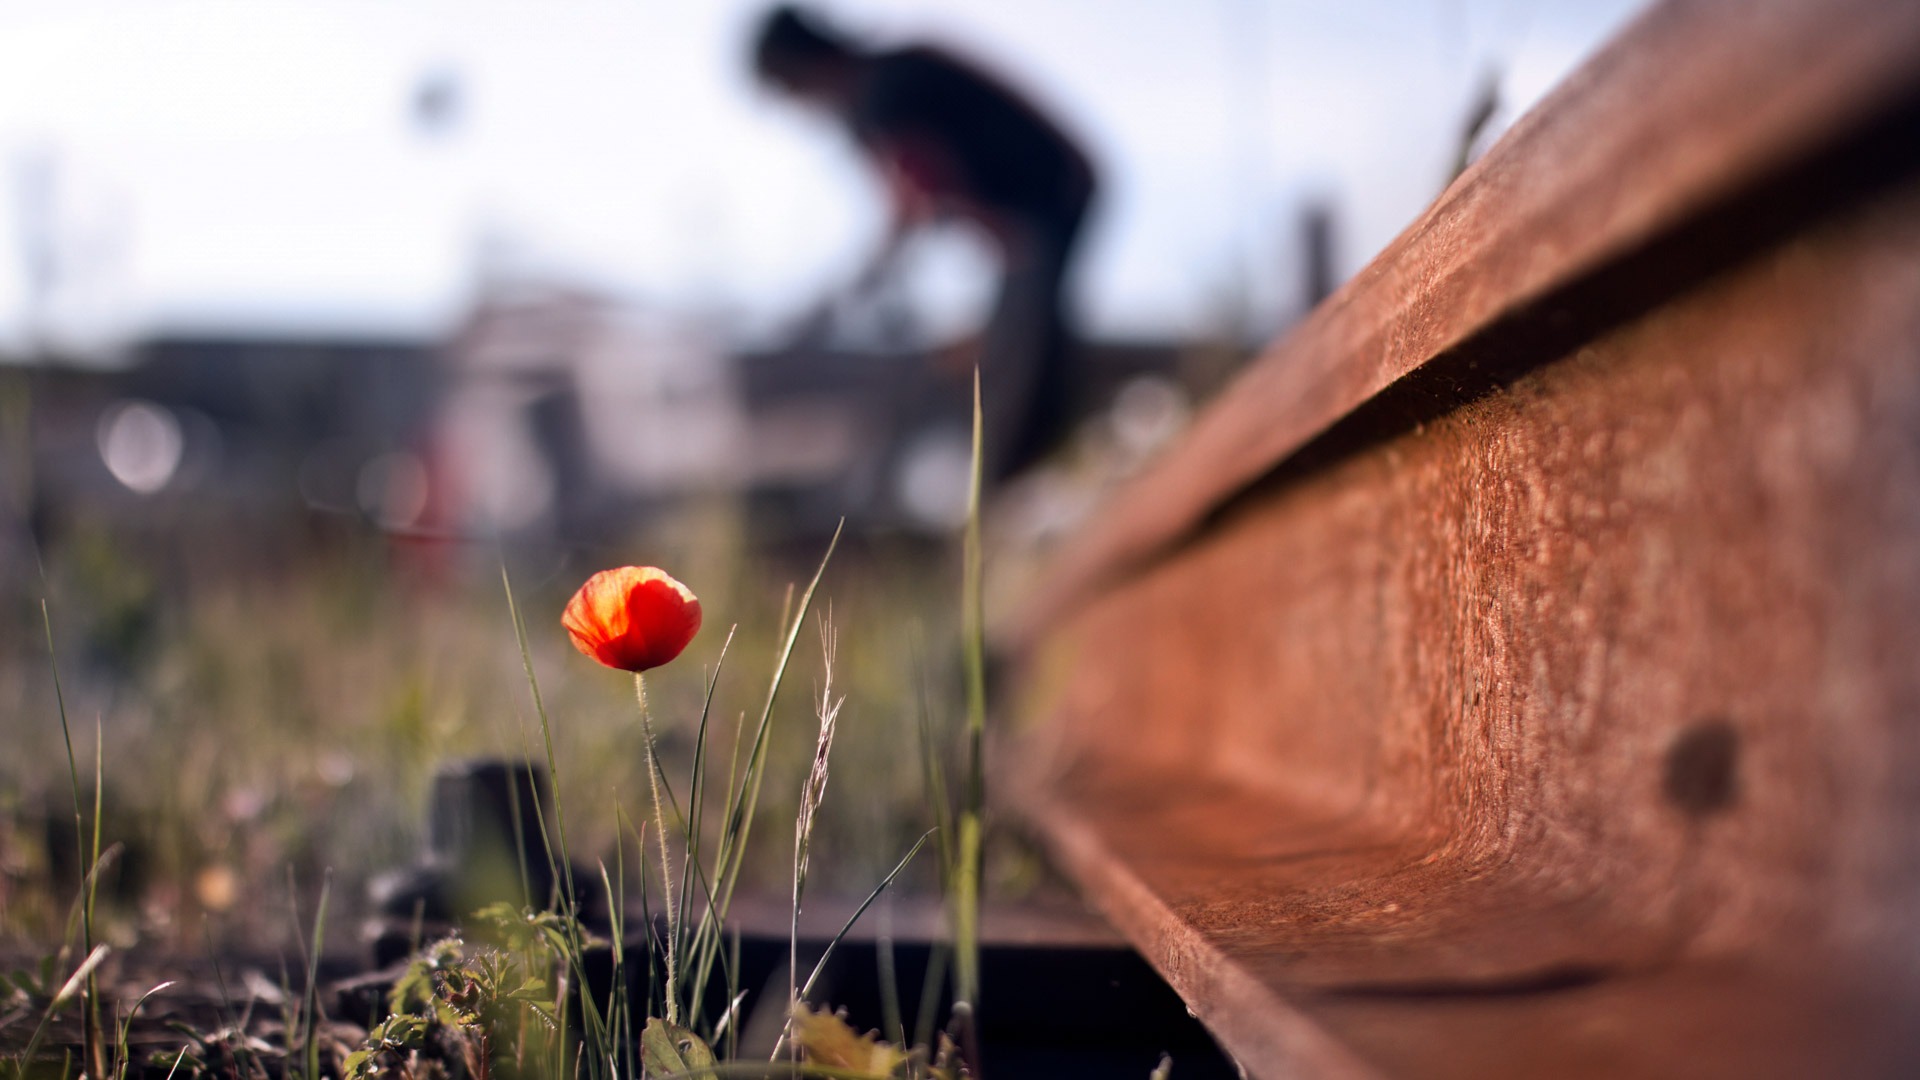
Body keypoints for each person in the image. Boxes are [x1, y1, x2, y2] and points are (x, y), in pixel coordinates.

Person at [752, 4, 1099, 481]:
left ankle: (1023, 488)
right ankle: (1027, 482)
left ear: (805, 66)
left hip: (1048, 202)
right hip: (1043, 205)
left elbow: (918, 191)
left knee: (1022, 369)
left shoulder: (883, 93)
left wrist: (857, 285)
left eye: (791, 88)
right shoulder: (894, 75)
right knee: (1016, 353)